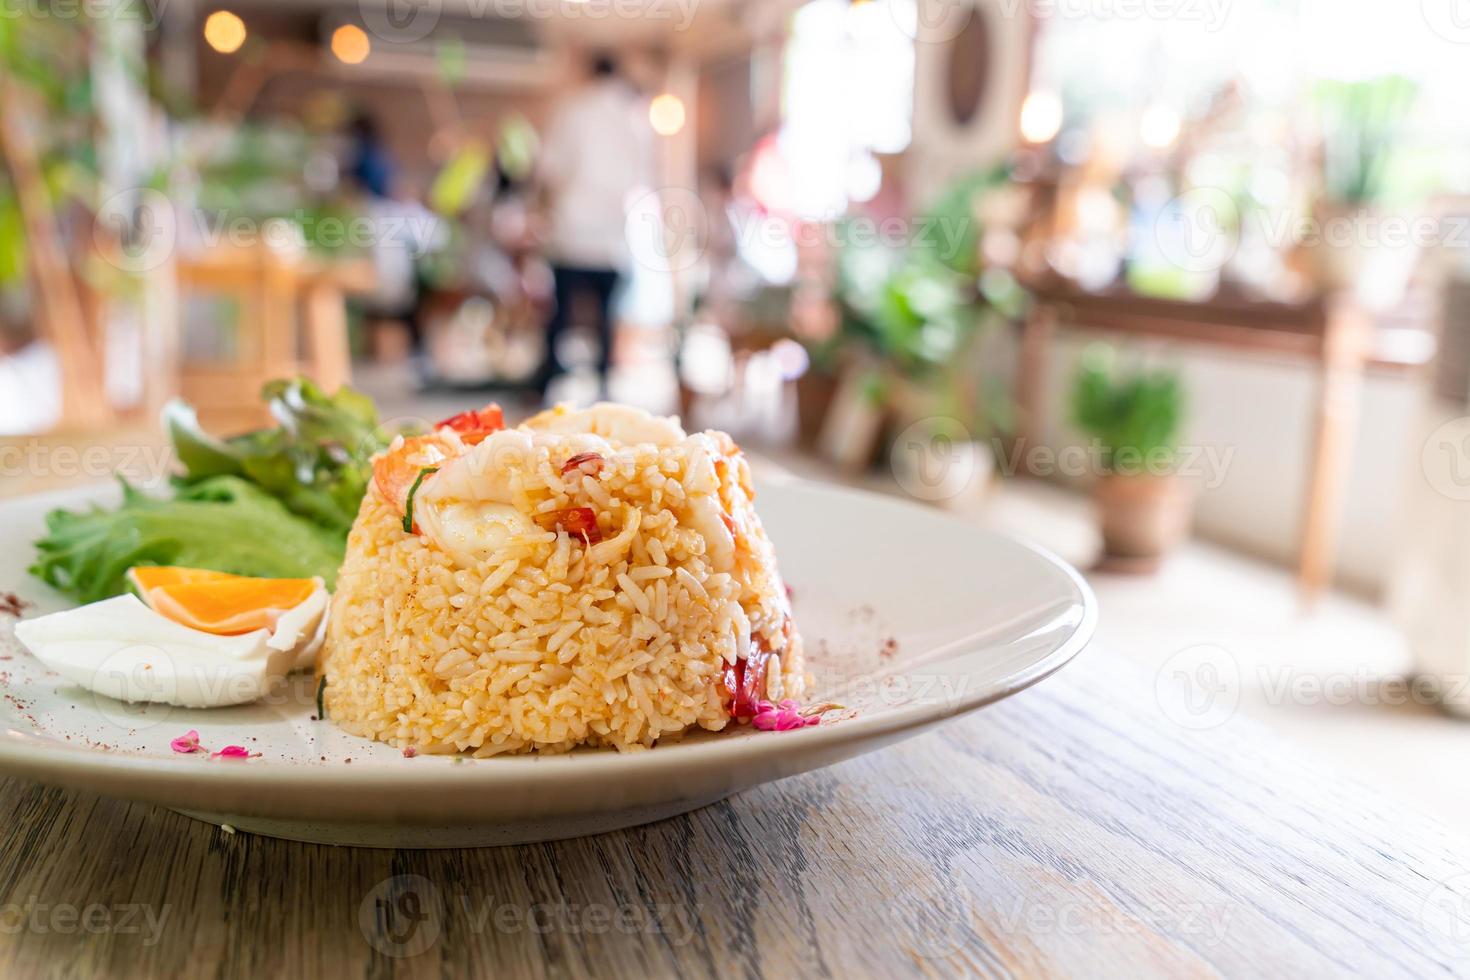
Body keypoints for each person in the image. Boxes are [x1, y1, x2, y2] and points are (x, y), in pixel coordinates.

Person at [535, 54, 655, 398]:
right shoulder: (635, 117)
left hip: (573, 232)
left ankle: (547, 384)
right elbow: (643, 176)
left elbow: (550, 167)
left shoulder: (573, 109)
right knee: (606, 317)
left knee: (561, 314)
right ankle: (605, 385)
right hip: (613, 237)